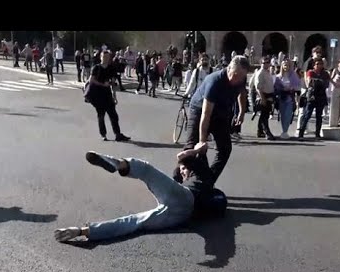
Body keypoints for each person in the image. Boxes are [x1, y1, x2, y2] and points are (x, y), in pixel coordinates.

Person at [54, 147, 227, 242]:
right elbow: (176, 174)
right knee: (133, 222)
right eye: (180, 171)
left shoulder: (202, 177)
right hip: (176, 216)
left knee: (145, 169)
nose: (182, 173)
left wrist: (193, 152)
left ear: (192, 168)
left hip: (186, 200)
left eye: (184, 170)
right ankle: (82, 231)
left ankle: (119, 164)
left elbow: (185, 159)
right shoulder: (184, 184)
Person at [183, 55, 249, 184]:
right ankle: (184, 177)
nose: (237, 79)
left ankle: (208, 181)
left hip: (220, 112)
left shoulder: (241, 78)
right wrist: (202, 141)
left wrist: (241, 112)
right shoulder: (215, 81)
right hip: (199, 109)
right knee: (194, 146)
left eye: (241, 77)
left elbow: (242, 93)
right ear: (229, 68)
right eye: (235, 75)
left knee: (225, 149)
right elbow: (205, 115)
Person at [85, 50, 131, 142]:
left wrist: (114, 96)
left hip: (107, 94)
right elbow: (91, 80)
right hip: (97, 95)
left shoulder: (111, 68)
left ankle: (118, 134)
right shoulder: (96, 68)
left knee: (114, 115)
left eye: (107, 57)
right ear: (101, 57)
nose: (106, 59)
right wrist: (103, 84)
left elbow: (113, 83)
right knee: (101, 115)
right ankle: (103, 135)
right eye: (104, 57)